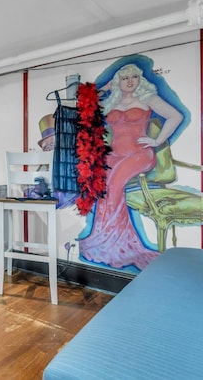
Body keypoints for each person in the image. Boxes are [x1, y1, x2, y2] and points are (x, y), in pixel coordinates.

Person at [79, 58, 186, 271]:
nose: (130, 81)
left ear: (140, 80)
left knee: (114, 184)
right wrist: (108, 86)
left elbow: (176, 116)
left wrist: (156, 142)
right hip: (115, 155)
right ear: (118, 81)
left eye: (134, 77)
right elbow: (86, 105)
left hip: (139, 154)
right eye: (124, 77)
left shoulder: (148, 97)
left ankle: (114, 243)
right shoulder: (112, 102)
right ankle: (105, 238)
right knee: (102, 185)